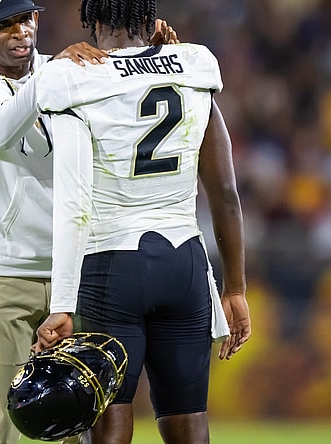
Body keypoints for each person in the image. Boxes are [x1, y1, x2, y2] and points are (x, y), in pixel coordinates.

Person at [0, 1, 178, 442]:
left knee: (80, 418)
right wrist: (54, 75)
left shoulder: (67, 70)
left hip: (76, 270)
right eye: (3, 24)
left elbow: (132, 107)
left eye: (25, 18)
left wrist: (147, 54)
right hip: (0, 271)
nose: (21, 31)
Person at [33, 1, 252, 442]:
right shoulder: (194, 65)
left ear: (94, 19)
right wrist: (235, 288)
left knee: (109, 419)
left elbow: (75, 204)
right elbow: (226, 194)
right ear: (149, 20)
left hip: (112, 265)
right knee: (189, 420)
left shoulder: (71, 76)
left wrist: (62, 304)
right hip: (184, 264)